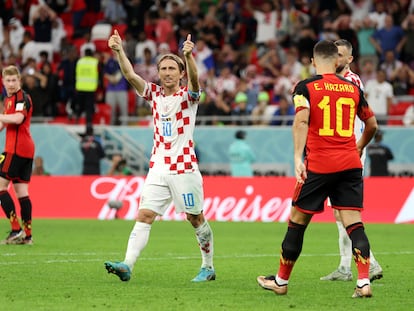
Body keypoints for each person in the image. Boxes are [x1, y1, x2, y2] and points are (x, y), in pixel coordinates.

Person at [256, 40, 378, 298]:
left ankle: (280, 280)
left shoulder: (305, 87)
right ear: (336, 61)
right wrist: (357, 148)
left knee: (297, 222)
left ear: (312, 62)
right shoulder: (352, 88)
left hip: (320, 164)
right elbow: (372, 125)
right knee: (354, 224)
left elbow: (301, 120)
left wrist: (297, 158)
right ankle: (363, 282)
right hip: (349, 164)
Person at [104, 31, 215, 283]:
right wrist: (119, 51)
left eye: (172, 68)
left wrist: (188, 56)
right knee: (144, 215)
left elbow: (196, 81)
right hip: (158, 167)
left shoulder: (188, 97)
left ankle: (207, 267)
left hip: (184, 167)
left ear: (181, 73)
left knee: (195, 218)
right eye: (163, 68)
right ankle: (127, 264)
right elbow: (130, 75)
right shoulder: (153, 94)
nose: (167, 72)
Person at [320, 39, 383, 282]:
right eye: (334, 54)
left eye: (341, 55)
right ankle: (347, 265)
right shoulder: (336, 80)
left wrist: (356, 148)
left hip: (349, 149)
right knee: (339, 211)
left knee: (345, 211)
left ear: (349, 60)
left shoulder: (351, 81)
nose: (337, 58)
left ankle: (367, 264)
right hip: (340, 150)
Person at [0, 65, 35, 245]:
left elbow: (17, 119)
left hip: (16, 149)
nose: (11, 84)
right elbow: (5, 123)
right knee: (22, 192)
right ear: (3, 81)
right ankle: (27, 236)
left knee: (0, 187)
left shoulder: (22, 98)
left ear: (19, 81)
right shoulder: (8, 99)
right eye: (8, 80)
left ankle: (16, 229)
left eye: (14, 80)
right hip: (23, 150)